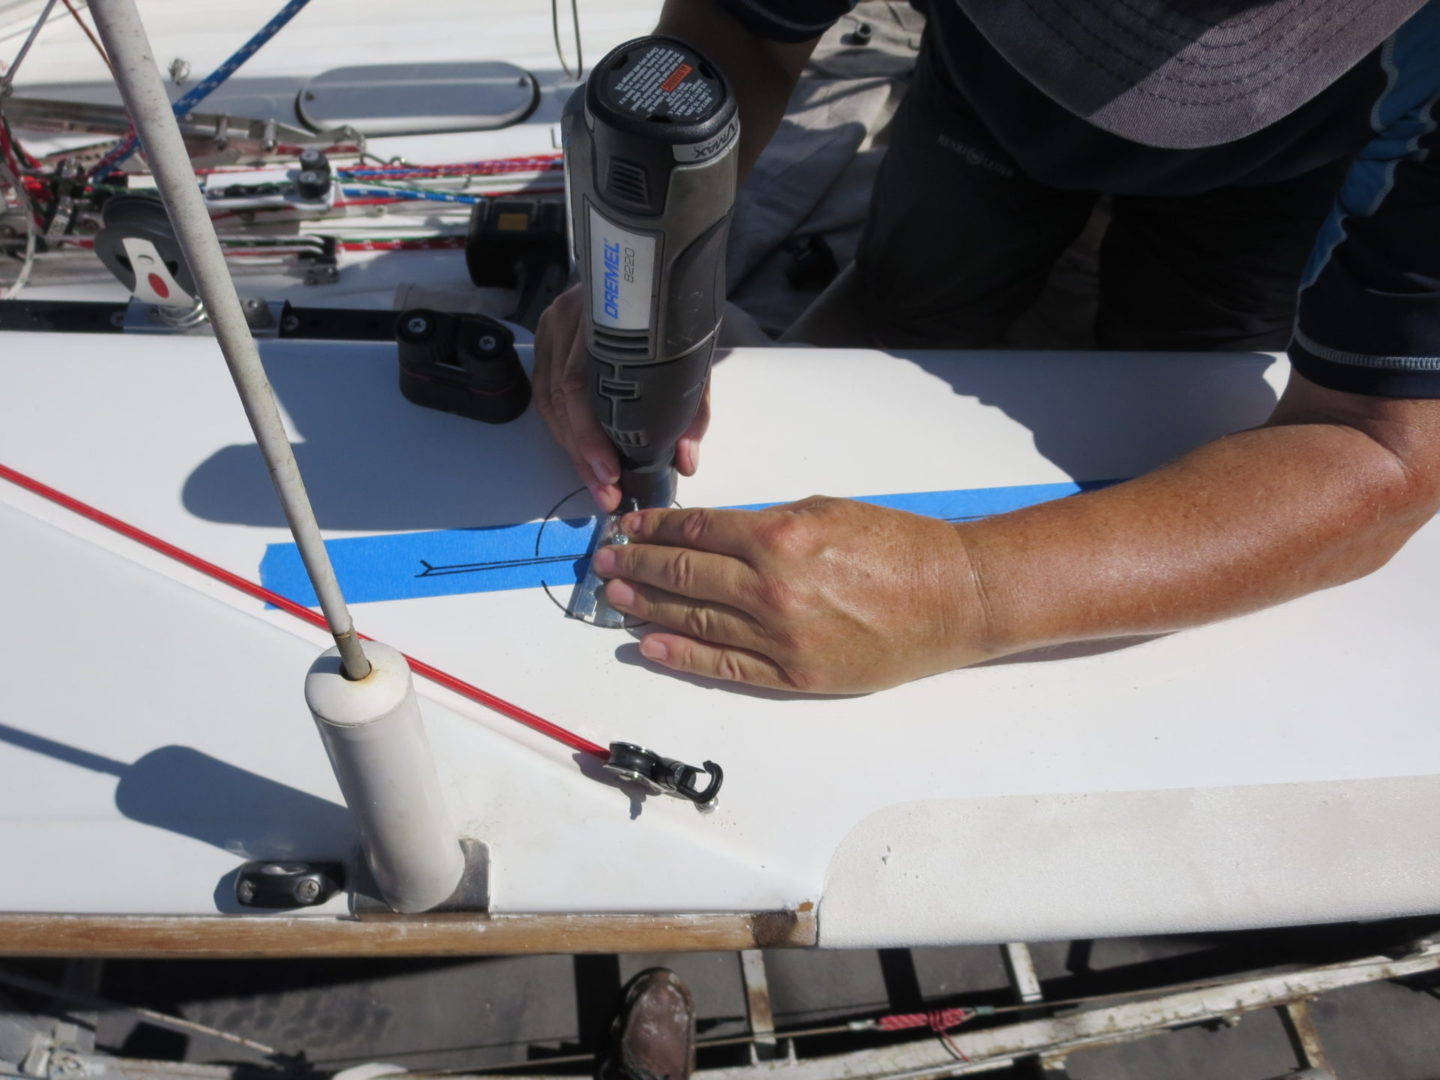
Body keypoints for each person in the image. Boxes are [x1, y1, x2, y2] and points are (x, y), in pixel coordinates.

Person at [534, 0, 1440, 694]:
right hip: (981, 102)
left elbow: (1384, 446)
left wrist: (961, 591)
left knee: (1179, 389)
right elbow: (742, 28)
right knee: (910, 317)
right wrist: (632, 281)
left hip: (1286, 159)